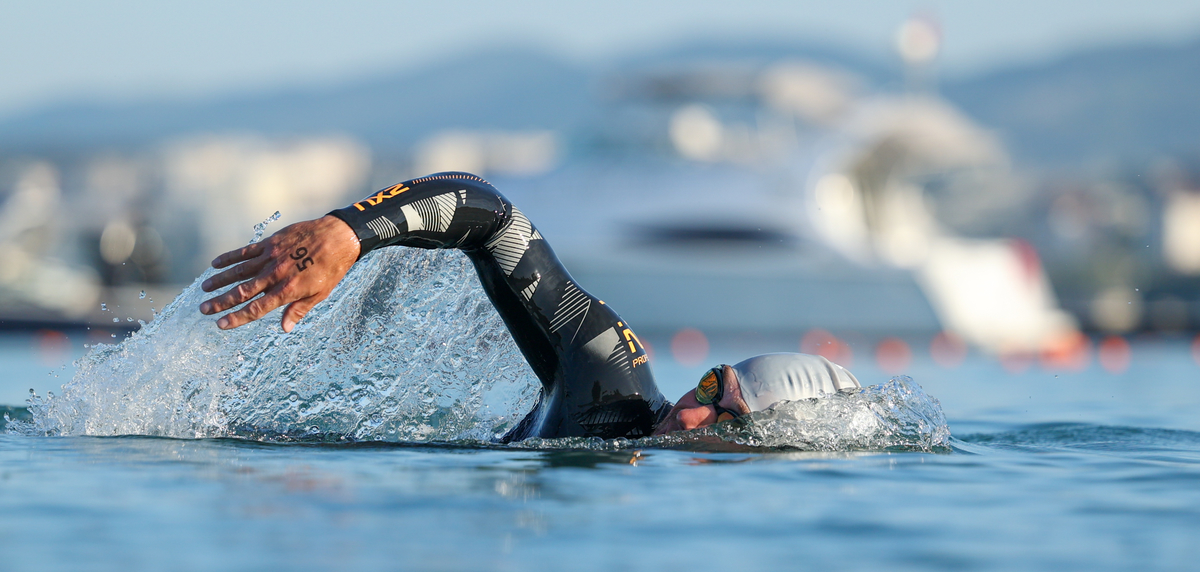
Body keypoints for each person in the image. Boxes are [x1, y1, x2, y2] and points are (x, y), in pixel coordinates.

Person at [199, 172, 860, 441]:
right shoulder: (611, 379)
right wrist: (350, 230)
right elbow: (490, 214)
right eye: (714, 385)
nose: (692, 414)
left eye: (728, 421)